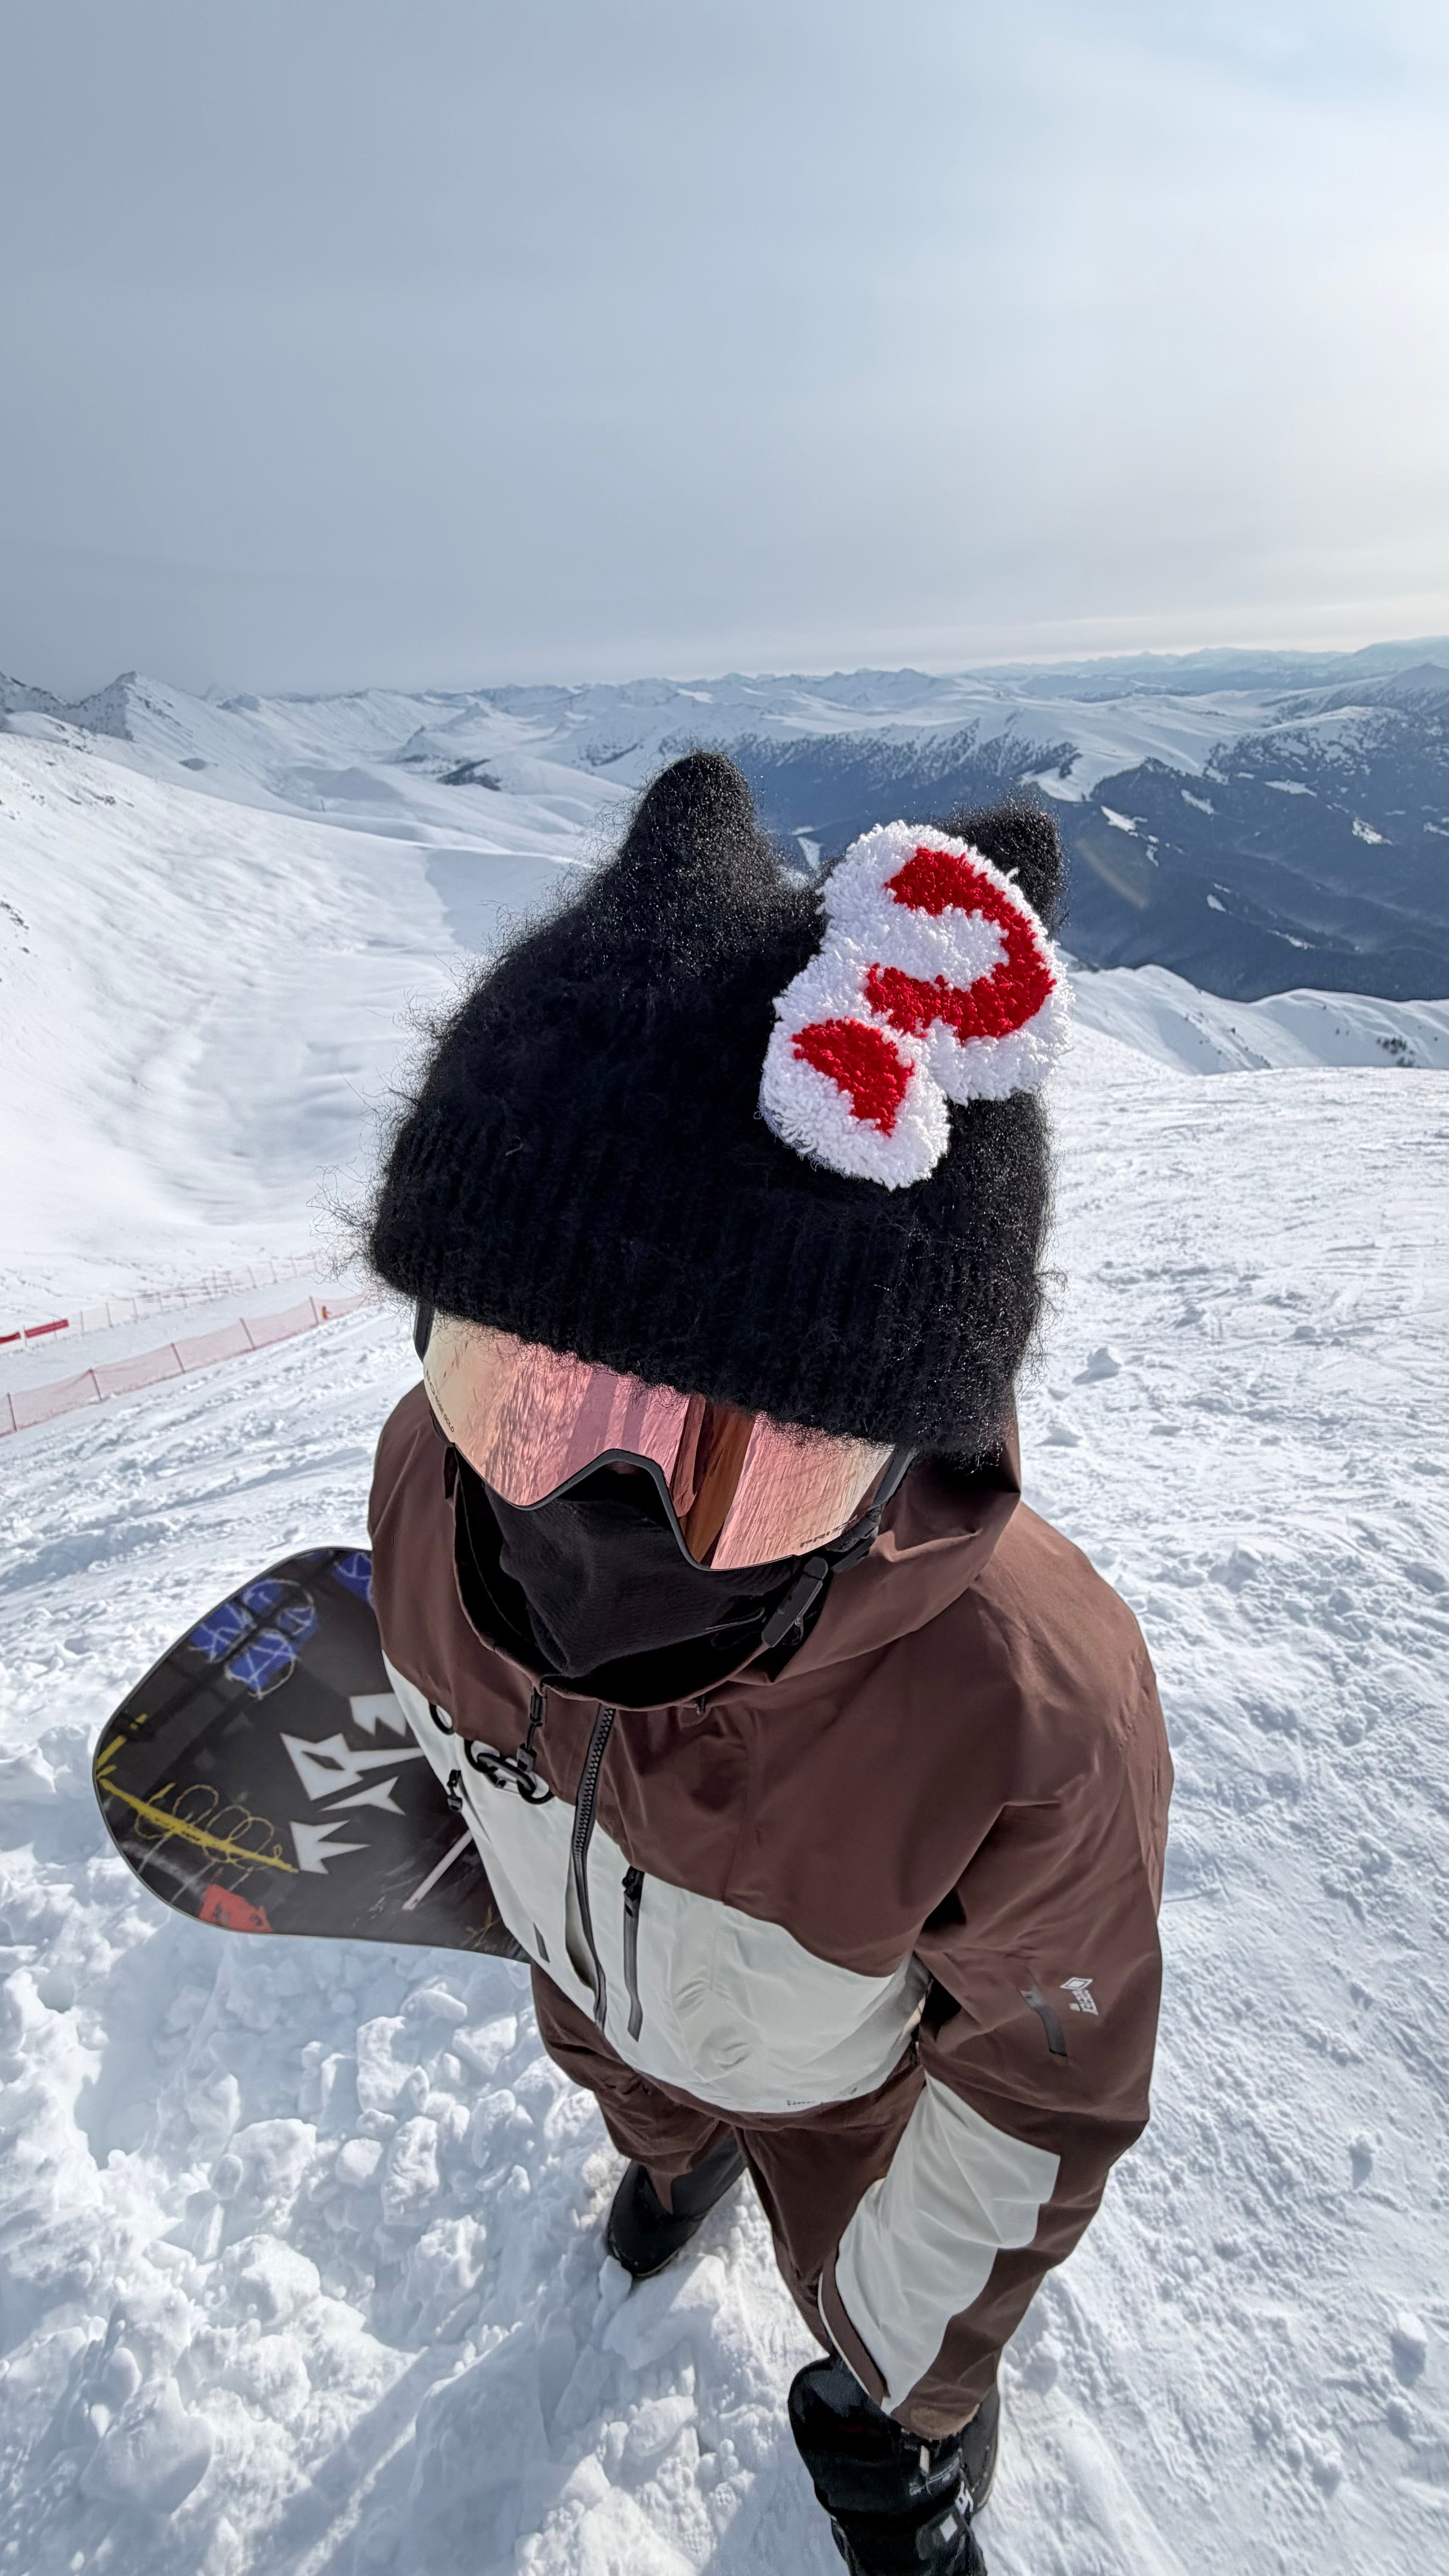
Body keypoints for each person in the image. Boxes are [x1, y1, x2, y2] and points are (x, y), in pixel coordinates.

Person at [363, 753, 1171, 2576]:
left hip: (849, 2099)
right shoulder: (424, 1481)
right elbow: (441, 1727)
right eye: (533, 1394)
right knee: (638, 2077)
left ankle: (901, 2444)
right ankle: (668, 2158)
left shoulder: (1019, 1708)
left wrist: (900, 2381)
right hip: (609, 2000)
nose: (598, 1521)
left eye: (751, 1462)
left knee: (867, 2292)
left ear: (897, 1465)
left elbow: (1037, 2085)